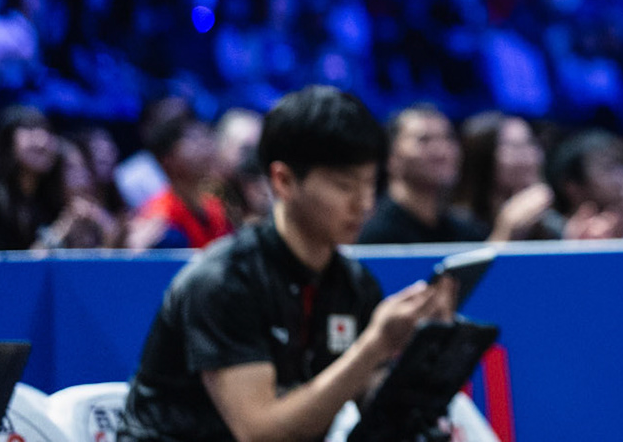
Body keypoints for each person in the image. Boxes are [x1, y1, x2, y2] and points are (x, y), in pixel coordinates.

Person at [116, 86, 453, 442]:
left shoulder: (354, 285)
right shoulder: (224, 281)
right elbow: (261, 434)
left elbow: (378, 409)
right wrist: (373, 346)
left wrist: (429, 358)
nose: (363, 203)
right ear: (284, 181)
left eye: (370, 185)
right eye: (344, 186)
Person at [359, 104, 489, 245]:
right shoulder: (371, 235)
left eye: (448, 138)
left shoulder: (467, 232)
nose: (441, 151)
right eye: (424, 140)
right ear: (391, 157)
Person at [129, 115, 232, 250]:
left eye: (204, 138)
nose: (204, 147)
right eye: (193, 140)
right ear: (168, 159)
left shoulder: (216, 207)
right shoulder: (160, 218)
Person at [455, 111, 561, 241]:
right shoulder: (460, 224)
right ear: (484, 156)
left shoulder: (548, 222)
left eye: (531, 143)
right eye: (515, 147)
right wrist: (506, 229)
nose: (530, 156)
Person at [0, 105, 66, 250]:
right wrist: (60, 231)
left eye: (48, 132)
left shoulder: (53, 201)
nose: (43, 141)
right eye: (31, 130)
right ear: (8, 141)